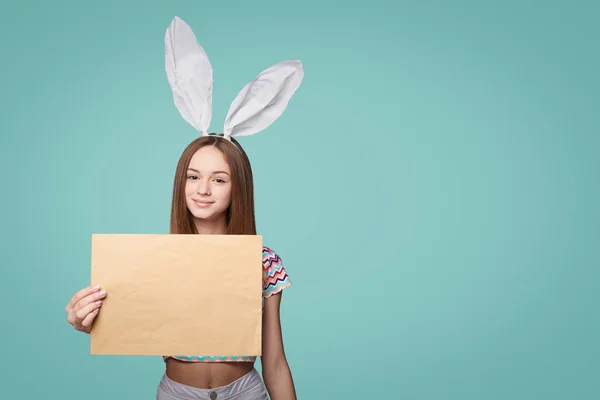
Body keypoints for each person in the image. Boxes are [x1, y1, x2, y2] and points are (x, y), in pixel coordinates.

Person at [65, 16, 304, 400]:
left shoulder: (263, 261)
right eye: (193, 177)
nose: (203, 189)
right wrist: (84, 318)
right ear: (181, 183)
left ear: (237, 187)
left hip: (245, 390)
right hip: (177, 392)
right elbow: (117, 320)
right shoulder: (154, 259)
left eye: (219, 179)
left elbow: (274, 360)